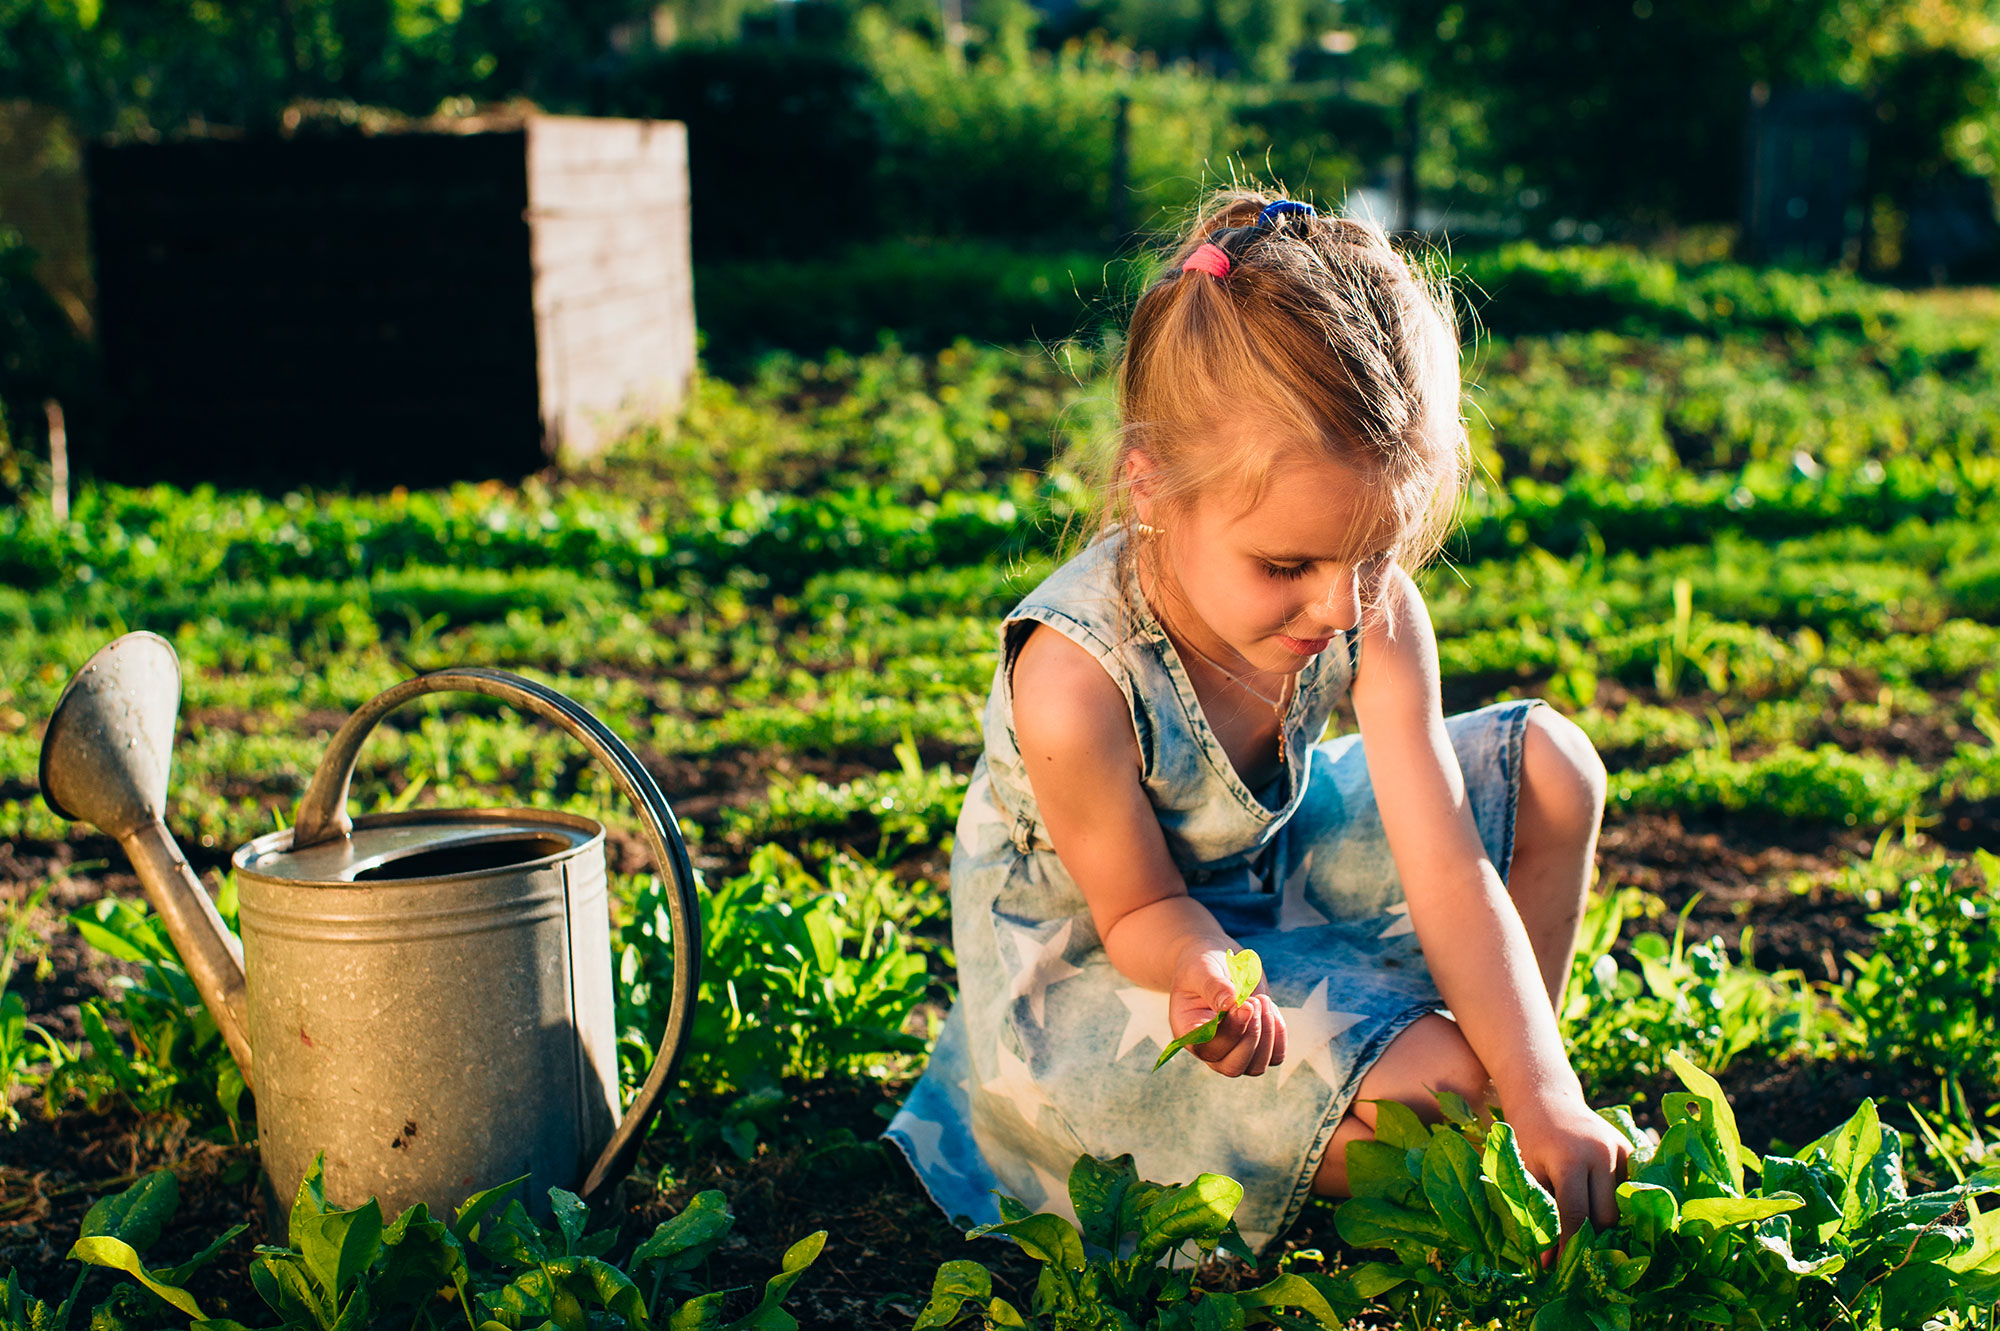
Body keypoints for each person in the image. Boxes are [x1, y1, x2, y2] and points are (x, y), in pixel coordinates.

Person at [884, 188, 1630, 1254]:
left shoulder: (1365, 607)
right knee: (1436, 1096)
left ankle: (1516, 1108)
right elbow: (1139, 909)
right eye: (1286, 565)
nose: (1339, 607)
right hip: (1111, 965)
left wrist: (1541, 1084)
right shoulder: (1076, 679)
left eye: (1374, 554)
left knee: (1553, 768)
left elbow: (1448, 864)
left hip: (1263, 873)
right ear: (1150, 490)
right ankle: (1444, 1108)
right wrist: (1202, 969)